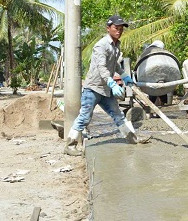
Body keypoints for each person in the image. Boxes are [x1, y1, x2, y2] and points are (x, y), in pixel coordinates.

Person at [64, 15, 151, 156]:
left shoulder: (116, 46)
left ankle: (132, 139)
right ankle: (70, 145)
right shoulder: (101, 45)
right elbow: (102, 67)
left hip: (105, 89)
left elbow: (114, 65)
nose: (119, 31)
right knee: (85, 117)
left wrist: (125, 77)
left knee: (118, 115)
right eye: (116, 28)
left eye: (121, 29)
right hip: (93, 87)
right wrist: (112, 82)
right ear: (108, 28)